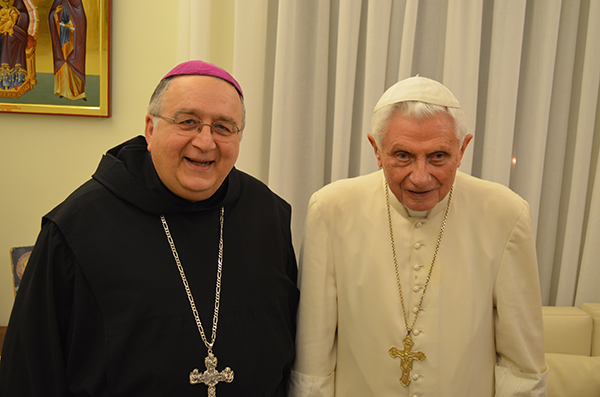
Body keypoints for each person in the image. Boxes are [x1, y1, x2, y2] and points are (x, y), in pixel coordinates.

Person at [0, 60, 299, 396]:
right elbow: (31, 369)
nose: (205, 142)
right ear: (151, 128)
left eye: (223, 127)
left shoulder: (268, 215)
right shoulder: (76, 226)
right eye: (188, 122)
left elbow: (290, 346)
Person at [289, 76, 548, 396]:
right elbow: (313, 360)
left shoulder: (506, 214)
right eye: (403, 156)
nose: (421, 177)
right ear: (377, 149)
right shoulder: (330, 209)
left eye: (438, 156)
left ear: (462, 148)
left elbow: (522, 366)